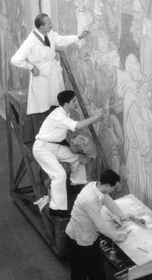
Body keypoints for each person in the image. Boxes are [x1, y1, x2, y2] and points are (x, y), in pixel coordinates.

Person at [65, 169, 132, 280]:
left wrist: (122, 215)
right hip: (77, 241)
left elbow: (108, 201)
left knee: (97, 270)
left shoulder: (96, 187)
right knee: (79, 274)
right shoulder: (89, 198)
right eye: (114, 187)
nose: (114, 190)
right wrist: (117, 236)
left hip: (89, 238)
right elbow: (100, 225)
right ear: (107, 185)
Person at [33, 90, 102, 218]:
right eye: (74, 101)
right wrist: (95, 117)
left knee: (78, 158)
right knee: (59, 174)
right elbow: (77, 126)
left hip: (53, 146)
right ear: (67, 103)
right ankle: (56, 208)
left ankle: (77, 184)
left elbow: (64, 134)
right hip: (42, 148)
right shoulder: (59, 115)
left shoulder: (65, 113)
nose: (75, 103)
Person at [11, 13, 88, 116]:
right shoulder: (31, 41)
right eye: (49, 23)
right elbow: (15, 59)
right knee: (43, 106)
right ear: (41, 26)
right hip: (42, 76)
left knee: (56, 102)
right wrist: (31, 67)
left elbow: (62, 40)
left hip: (53, 74)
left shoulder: (50, 34)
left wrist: (79, 37)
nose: (51, 25)